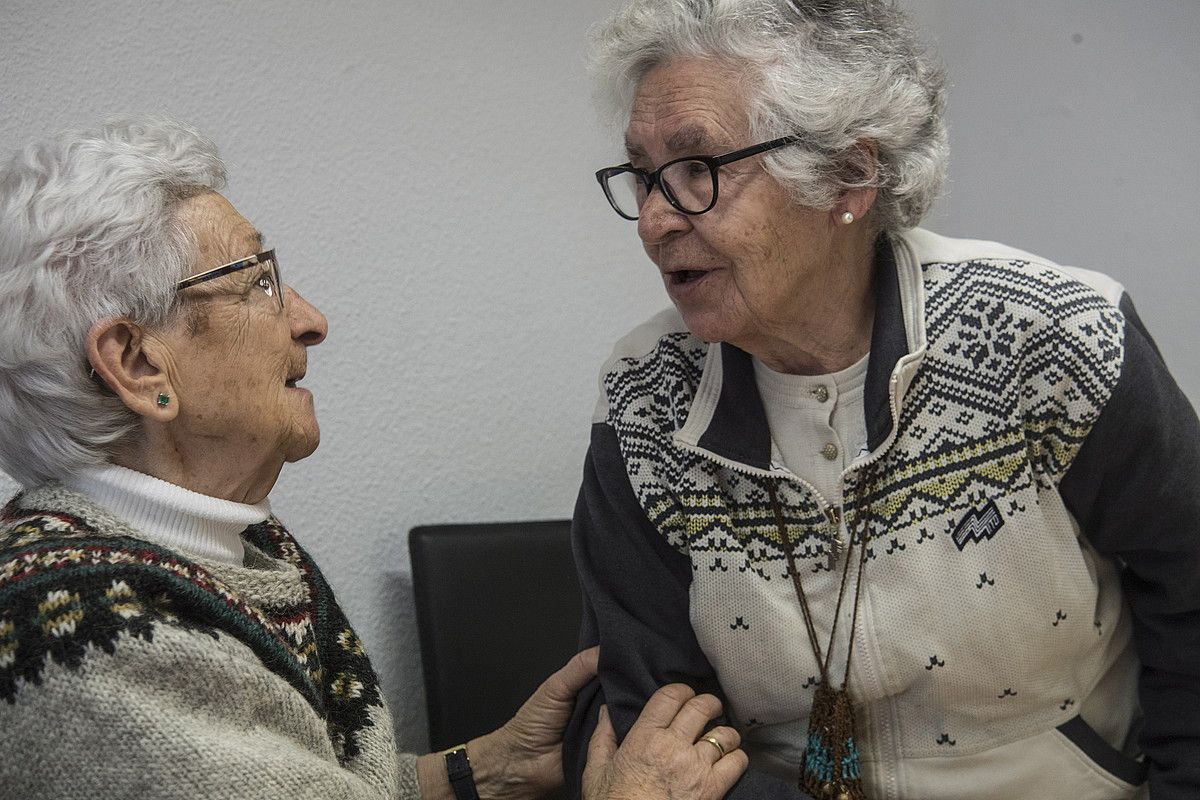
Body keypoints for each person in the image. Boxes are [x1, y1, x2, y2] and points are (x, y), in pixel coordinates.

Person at [0, 117, 749, 800]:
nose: (309, 320)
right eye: (258, 282)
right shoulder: (92, 636)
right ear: (136, 363)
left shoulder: (234, 545)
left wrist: (490, 767)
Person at [562, 2, 1200, 799]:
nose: (655, 220)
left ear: (849, 176)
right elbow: (640, 704)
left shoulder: (1053, 333)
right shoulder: (644, 395)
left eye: (699, 170)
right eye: (645, 176)